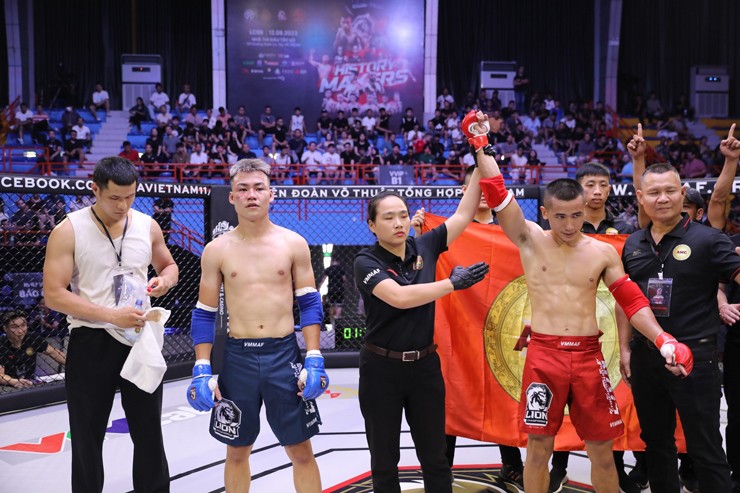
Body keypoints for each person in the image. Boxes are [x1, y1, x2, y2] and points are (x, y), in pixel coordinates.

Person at [462, 110, 690, 493]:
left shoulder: (602, 252)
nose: (569, 225)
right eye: (561, 217)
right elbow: (498, 193)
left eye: (576, 215)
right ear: (545, 213)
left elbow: (632, 301)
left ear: (586, 210)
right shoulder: (530, 239)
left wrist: (662, 338)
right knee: (538, 450)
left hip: (587, 357)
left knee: (602, 451)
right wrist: (480, 144)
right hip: (544, 357)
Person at [353, 141, 490, 492]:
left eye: (403, 215)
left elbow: (463, 213)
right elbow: (399, 298)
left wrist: (480, 154)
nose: (399, 223)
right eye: (388, 217)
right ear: (371, 225)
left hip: (425, 367)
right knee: (384, 459)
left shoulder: (424, 245)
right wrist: (453, 283)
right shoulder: (365, 261)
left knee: (435, 456)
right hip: (381, 369)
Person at [185, 159, 327, 492]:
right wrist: (202, 367)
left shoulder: (293, 243)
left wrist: (314, 356)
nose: (252, 195)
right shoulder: (216, 250)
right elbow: (204, 312)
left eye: (259, 188)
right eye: (243, 189)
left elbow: (309, 303)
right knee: (236, 451)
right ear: (232, 197)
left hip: (283, 354)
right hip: (239, 358)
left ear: (271, 194)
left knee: (301, 449)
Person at [43, 156, 179, 493]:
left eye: (130, 196)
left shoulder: (147, 225)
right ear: (95, 189)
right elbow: (53, 294)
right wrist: (109, 315)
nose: (122, 205)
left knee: (149, 431)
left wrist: (164, 281)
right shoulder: (69, 230)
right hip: (92, 339)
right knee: (87, 434)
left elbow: (169, 266)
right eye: (114, 197)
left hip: (139, 339)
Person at [620, 123, 740, 492]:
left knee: (705, 450)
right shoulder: (633, 244)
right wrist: (625, 349)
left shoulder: (709, 240)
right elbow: (626, 300)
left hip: (696, 361)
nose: (663, 199)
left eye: (670, 191)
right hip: (646, 357)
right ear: (642, 198)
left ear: (682, 193)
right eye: (654, 193)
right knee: (656, 446)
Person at [411, 164, 527, 492]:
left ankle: (512, 466)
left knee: (502, 392)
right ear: (466, 192)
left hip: (500, 328)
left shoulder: (513, 232)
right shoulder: (446, 231)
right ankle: (441, 471)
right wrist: (419, 234)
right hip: (455, 328)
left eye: (491, 189)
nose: (483, 195)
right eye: (477, 188)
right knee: (450, 395)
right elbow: (420, 268)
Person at [547, 161, 641, 492]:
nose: (597, 191)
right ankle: (558, 467)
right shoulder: (557, 231)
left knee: (610, 404)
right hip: (564, 329)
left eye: (603, 184)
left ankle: (619, 468)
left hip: (612, 325)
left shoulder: (625, 228)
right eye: (590, 184)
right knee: (557, 410)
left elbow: (628, 290)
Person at [0, 309, 66, 389]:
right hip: (7, 386)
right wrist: (14, 381)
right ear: (5, 328)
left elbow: (54, 353)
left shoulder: (32, 338)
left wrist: (74, 364)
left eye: (23, 325)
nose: (20, 331)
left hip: (30, 383)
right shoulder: (1, 344)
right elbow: (1, 375)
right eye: (14, 327)